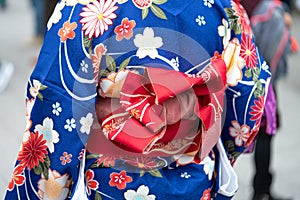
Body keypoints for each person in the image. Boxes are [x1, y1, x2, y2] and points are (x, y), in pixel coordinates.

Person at [4, 0, 271, 199]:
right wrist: (213, 147)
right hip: (195, 183)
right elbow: (248, 100)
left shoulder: (84, 8)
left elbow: (55, 105)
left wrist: (48, 185)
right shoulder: (225, 8)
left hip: (110, 185)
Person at [240, 0, 297, 199]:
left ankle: (261, 189)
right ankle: (260, 191)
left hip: (236, 67)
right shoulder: (267, 9)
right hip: (260, 74)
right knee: (265, 132)